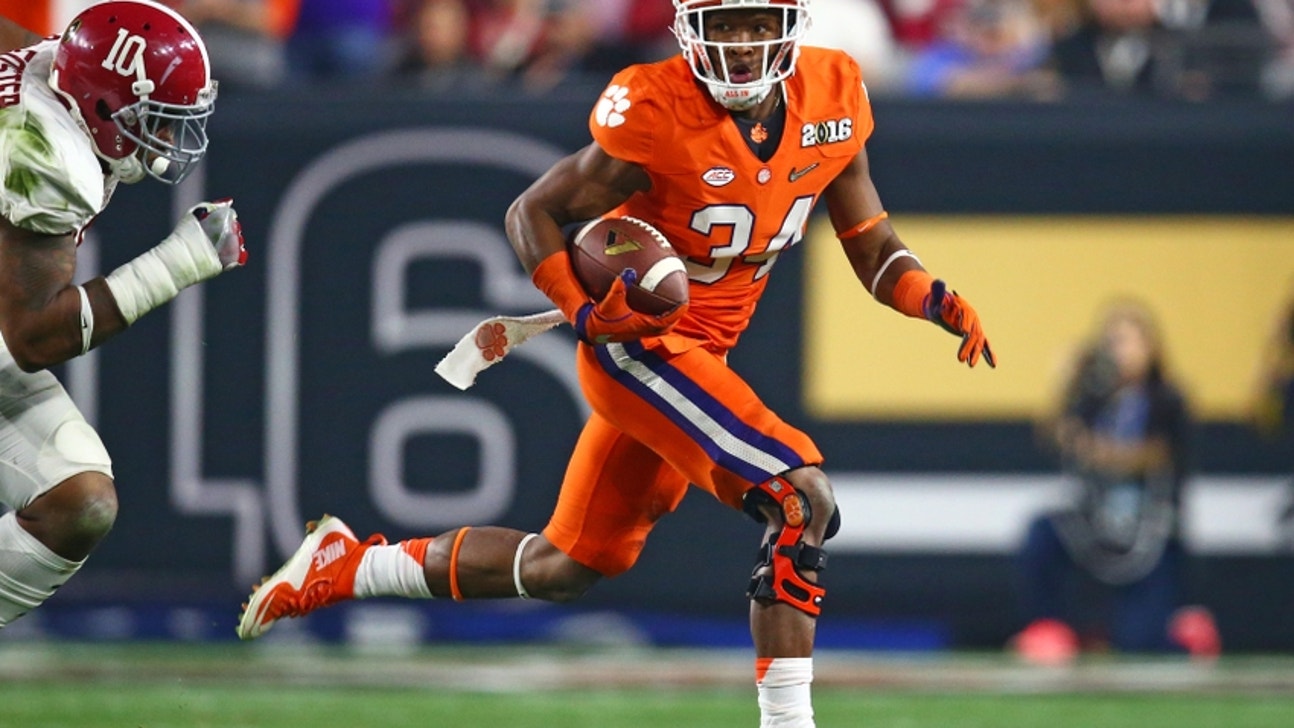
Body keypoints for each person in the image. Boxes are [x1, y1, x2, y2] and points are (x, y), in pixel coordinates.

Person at [237, 1, 993, 724]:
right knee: (800, 499)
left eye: (756, 26)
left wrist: (929, 296)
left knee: (564, 566)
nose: (739, 46)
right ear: (687, 30)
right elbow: (531, 212)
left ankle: (348, 564)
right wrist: (583, 310)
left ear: (789, 28)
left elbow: (870, 241)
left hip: (703, 357)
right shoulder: (655, 104)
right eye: (720, 26)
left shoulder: (834, 91)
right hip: (639, 347)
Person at [0, 1, 246, 629]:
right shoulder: (48, 155)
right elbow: (31, 337)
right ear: (107, 102)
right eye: (156, 120)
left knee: (77, 501)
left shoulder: (59, 66)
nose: (167, 139)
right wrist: (177, 264)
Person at [1011, 299, 1219, 664]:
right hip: (1098, 524)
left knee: (1140, 647)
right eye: (1112, 342)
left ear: (1150, 346)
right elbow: (1055, 435)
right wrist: (1064, 385)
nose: (1118, 351)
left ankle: (1186, 632)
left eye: (1127, 340)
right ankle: (1048, 627)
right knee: (1043, 531)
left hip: (1152, 537)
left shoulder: (1168, 399)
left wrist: (1096, 451)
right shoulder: (1095, 398)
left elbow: (1151, 455)